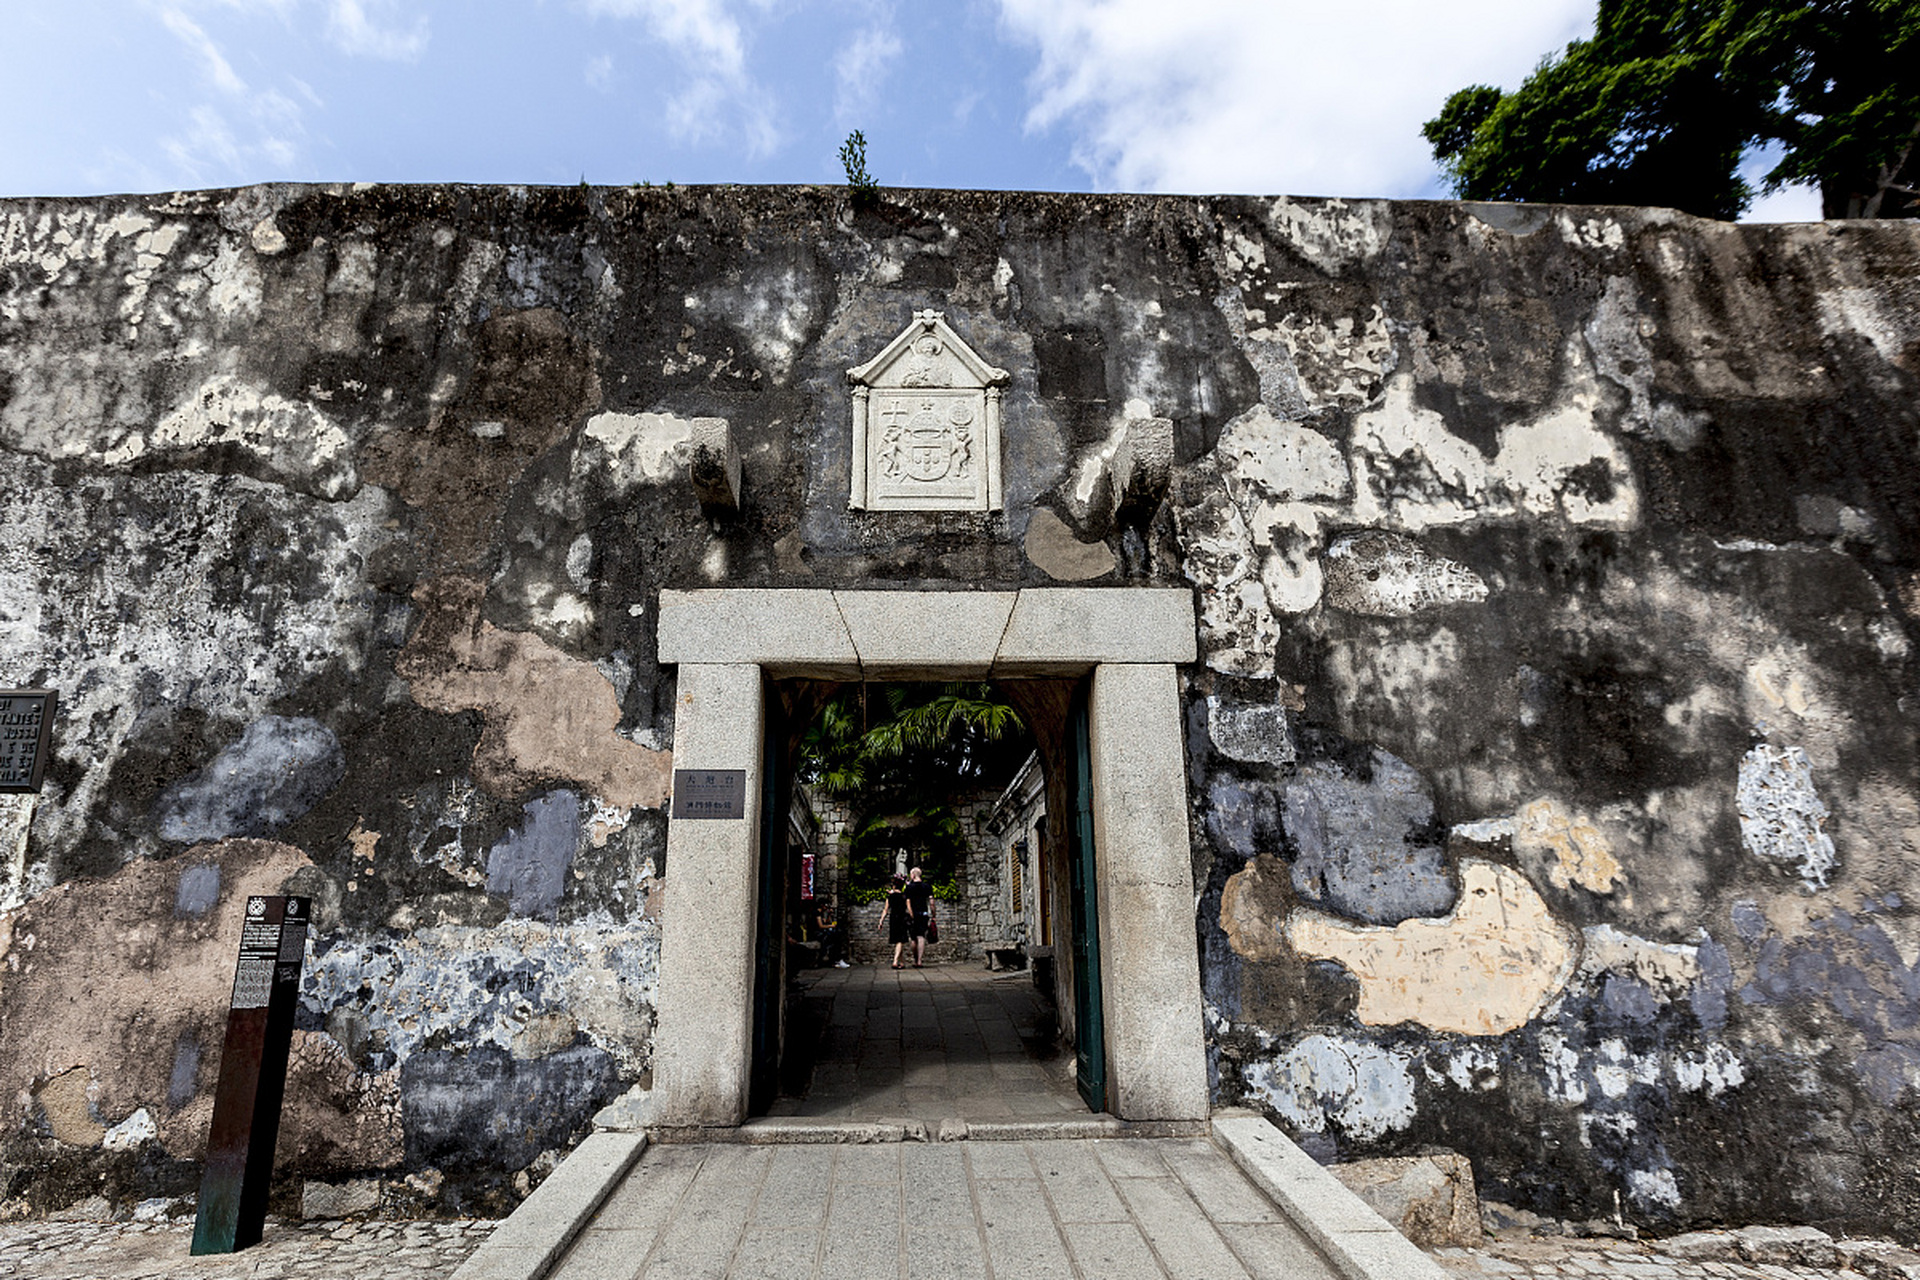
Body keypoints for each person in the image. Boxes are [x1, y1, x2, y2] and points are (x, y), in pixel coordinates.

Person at [877, 875, 910, 970]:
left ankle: (902, 962)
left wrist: (881, 921)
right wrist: (912, 917)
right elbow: (909, 908)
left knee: (898, 940)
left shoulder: (890, 897)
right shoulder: (904, 896)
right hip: (902, 918)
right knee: (900, 940)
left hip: (893, 919)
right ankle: (895, 961)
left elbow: (885, 910)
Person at [904, 866, 933, 969]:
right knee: (921, 937)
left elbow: (908, 902)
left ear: (912, 875)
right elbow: (931, 901)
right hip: (923, 913)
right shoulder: (927, 886)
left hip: (914, 914)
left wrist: (911, 914)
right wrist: (933, 914)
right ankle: (920, 961)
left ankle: (915, 959)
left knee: (913, 938)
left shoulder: (909, 887)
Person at [816, 901, 848, 968]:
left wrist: (830, 914)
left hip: (824, 932)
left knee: (838, 936)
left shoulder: (821, 914)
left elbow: (825, 922)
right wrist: (831, 926)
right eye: (825, 905)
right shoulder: (817, 913)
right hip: (819, 933)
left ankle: (837, 959)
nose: (826, 907)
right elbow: (821, 926)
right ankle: (837, 959)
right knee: (836, 939)